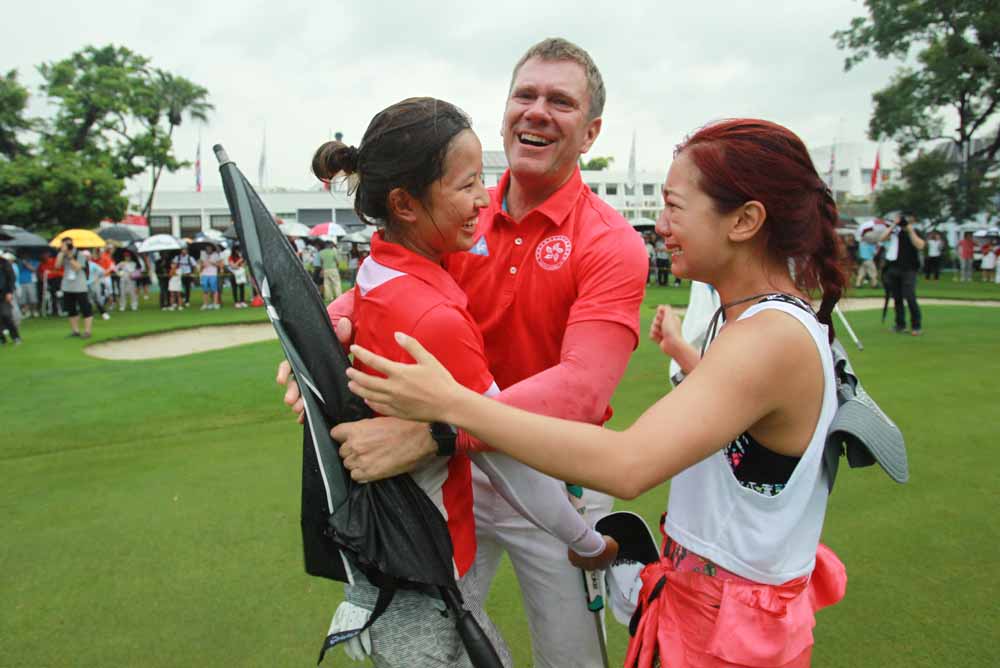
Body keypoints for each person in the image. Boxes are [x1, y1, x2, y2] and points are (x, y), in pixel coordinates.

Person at [345, 118, 850, 668]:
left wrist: (449, 410)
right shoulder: (753, 325)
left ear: (746, 220)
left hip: (728, 631)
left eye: (675, 208)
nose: (660, 226)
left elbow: (628, 465)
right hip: (704, 610)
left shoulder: (769, 337)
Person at [281, 38, 647, 668]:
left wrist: (439, 432)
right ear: (505, 110)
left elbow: (583, 390)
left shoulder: (611, 242)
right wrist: (332, 327)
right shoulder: (458, 208)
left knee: (571, 659)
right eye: (524, 95)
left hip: (552, 477)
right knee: (438, 633)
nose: (536, 111)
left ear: (590, 134)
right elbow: (398, 276)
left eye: (560, 101)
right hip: (460, 480)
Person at [879, 214, 925, 335]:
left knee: (910, 297)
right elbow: (882, 238)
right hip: (894, 267)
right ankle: (900, 324)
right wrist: (894, 225)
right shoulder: (895, 232)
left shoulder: (915, 231)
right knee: (897, 298)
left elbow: (920, 245)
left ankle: (916, 325)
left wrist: (910, 230)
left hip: (909, 269)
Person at [55, 238, 93, 338]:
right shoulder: (62, 254)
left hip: (80, 286)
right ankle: (75, 331)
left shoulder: (80, 255)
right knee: (71, 309)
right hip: (67, 286)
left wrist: (70, 257)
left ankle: (87, 331)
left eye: (67, 245)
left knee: (85, 308)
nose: (64, 247)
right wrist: (61, 255)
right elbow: (57, 266)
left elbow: (77, 267)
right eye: (63, 245)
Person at [0, 251, 22, 345]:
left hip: (4, 293)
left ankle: (16, 337)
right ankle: (2, 339)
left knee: (6, 315)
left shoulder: (5, 263)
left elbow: (11, 278)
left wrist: (9, 292)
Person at [38, 249, 63, 316]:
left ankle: (58, 310)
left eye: (45, 254)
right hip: (46, 282)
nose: (43, 256)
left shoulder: (55, 261)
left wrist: (52, 272)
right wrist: (42, 278)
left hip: (56, 281)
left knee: (57, 296)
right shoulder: (42, 264)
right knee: (47, 296)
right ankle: (48, 310)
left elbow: (61, 272)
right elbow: (40, 273)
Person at [16, 253, 40, 319]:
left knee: (33, 297)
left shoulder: (34, 261)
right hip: (21, 282)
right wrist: (21, 263)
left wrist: (26, 263)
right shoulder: (18, 262)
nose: (25, 256)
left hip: (30, 281)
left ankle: (34, 311)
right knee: (23, 298)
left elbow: (34, 269)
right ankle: (27, 311)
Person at [198, 244, 222, 310]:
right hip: (204, 274)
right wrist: (202, 265)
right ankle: (205, 304)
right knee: (205, 289)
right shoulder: (203, 254)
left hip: (213, 274)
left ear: (212, 248)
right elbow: (200, 264)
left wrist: (212, 262)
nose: (208, 249)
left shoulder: (216, 255)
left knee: (214, 289)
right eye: (207, 248)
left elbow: (220, 265)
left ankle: (215, 303)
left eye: (209, 248)